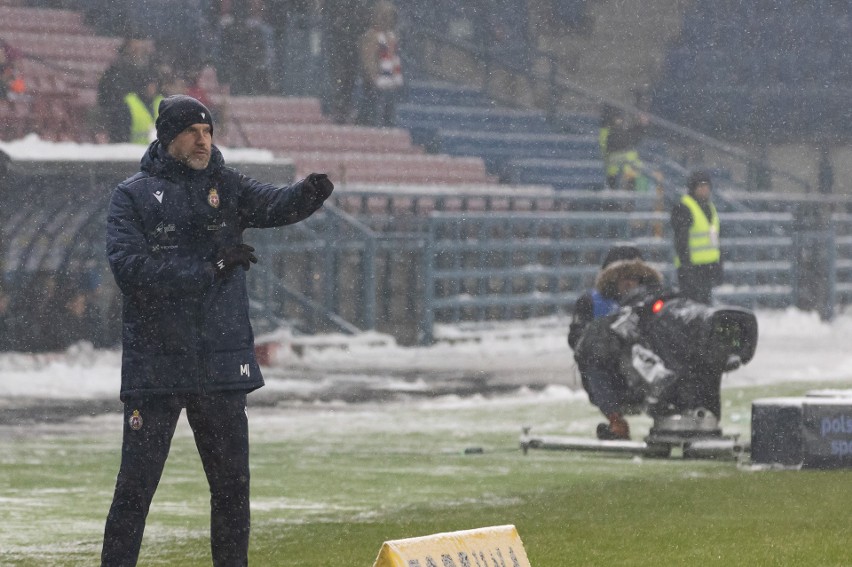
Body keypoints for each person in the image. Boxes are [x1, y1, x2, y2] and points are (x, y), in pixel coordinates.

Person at [100, 94, 334, 566]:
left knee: (232, 490)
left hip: (221, 364)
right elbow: (132, 272)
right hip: (158, 365)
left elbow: (275, 204)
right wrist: (210, 268)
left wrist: (308, 194)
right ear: (169, 138)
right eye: (192, 131)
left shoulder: (227, 186)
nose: (203, 139)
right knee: (135, 491)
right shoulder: (133, 195)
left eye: (208, 131)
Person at [569, 245, 663, 440]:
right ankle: (616, 422)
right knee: (592, 358)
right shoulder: (591, 302)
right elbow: (576, 340)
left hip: (647, 372)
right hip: (610, 375)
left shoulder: (655, 302)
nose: (630, 283)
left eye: (634, 277)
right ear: (612, 278)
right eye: (624, 277)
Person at [671, 169, 722, 305]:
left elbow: (715, 239)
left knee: (705, 306)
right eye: (701, 186)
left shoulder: (710, 207)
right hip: (691, 268)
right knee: (692, 307)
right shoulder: (685, 207)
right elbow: (681, 241)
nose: (705, 190)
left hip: (707, 267)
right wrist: (686, 266)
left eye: (707, 186)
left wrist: (718, 263)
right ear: (693, 188)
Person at [357, 0, 404, 127]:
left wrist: (396, 77)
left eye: (390, 17)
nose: (388, 20)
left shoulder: (392, 36)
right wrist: (373, 77)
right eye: (385, 16)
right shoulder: (371, 36)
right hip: (377, 83)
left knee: (389, 115)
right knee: (374, 113)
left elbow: (394, 58)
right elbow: (368, 59)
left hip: (390, 82)